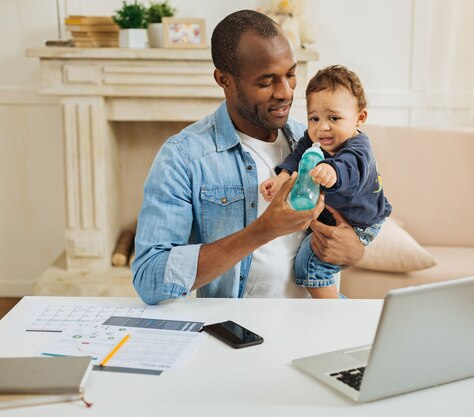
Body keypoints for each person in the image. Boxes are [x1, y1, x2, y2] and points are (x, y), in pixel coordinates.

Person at [131, 10, 365, 305]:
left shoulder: (318, 141)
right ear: (224, 80)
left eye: (291, 75)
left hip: (322, 320)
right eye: (267, 82)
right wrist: (263, 230)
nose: (285, 92)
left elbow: (364, 218)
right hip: (239, 333)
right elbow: (149, 279)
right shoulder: (183, 158)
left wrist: (356, 251)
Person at [260, 66, 392, 298]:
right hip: (338, 215)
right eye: (314, 118)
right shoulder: (313, 140)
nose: (323, 127)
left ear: (359, 118)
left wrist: (332, 171)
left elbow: (351, 168)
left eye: (334, 118)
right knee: (308, 263)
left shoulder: (358, 148)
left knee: (310, 266)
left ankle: (338, 316)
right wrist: (281, 178)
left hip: (360, 222)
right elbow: (297, 155)